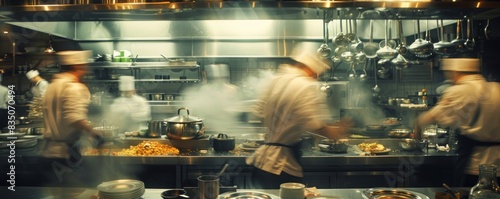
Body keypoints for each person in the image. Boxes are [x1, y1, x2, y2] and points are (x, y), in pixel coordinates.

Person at [245, 49, 352, 189]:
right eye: (317, 74)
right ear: (311, 69)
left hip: (261, 163)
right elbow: (316, 126)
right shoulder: (305, 85)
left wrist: (280, 129)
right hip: (281, 167)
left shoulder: (275, 80)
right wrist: (341, 130)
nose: (316, 77)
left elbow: (258, 113)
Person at [416, 58, 500, 187]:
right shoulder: (496, 88)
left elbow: (428, 119)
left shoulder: (459, 91)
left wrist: (416, 127)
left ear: (455, 72)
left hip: (475, 165)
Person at [41, 50, 104, 188]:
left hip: (48, 152)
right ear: (77, 67)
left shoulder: (52, 86)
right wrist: (95, 134)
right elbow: (74, 117)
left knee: (56, 194)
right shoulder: (74, 87)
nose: (86, 69)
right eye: (84, 65)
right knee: (75, 192)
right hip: (66, 154)